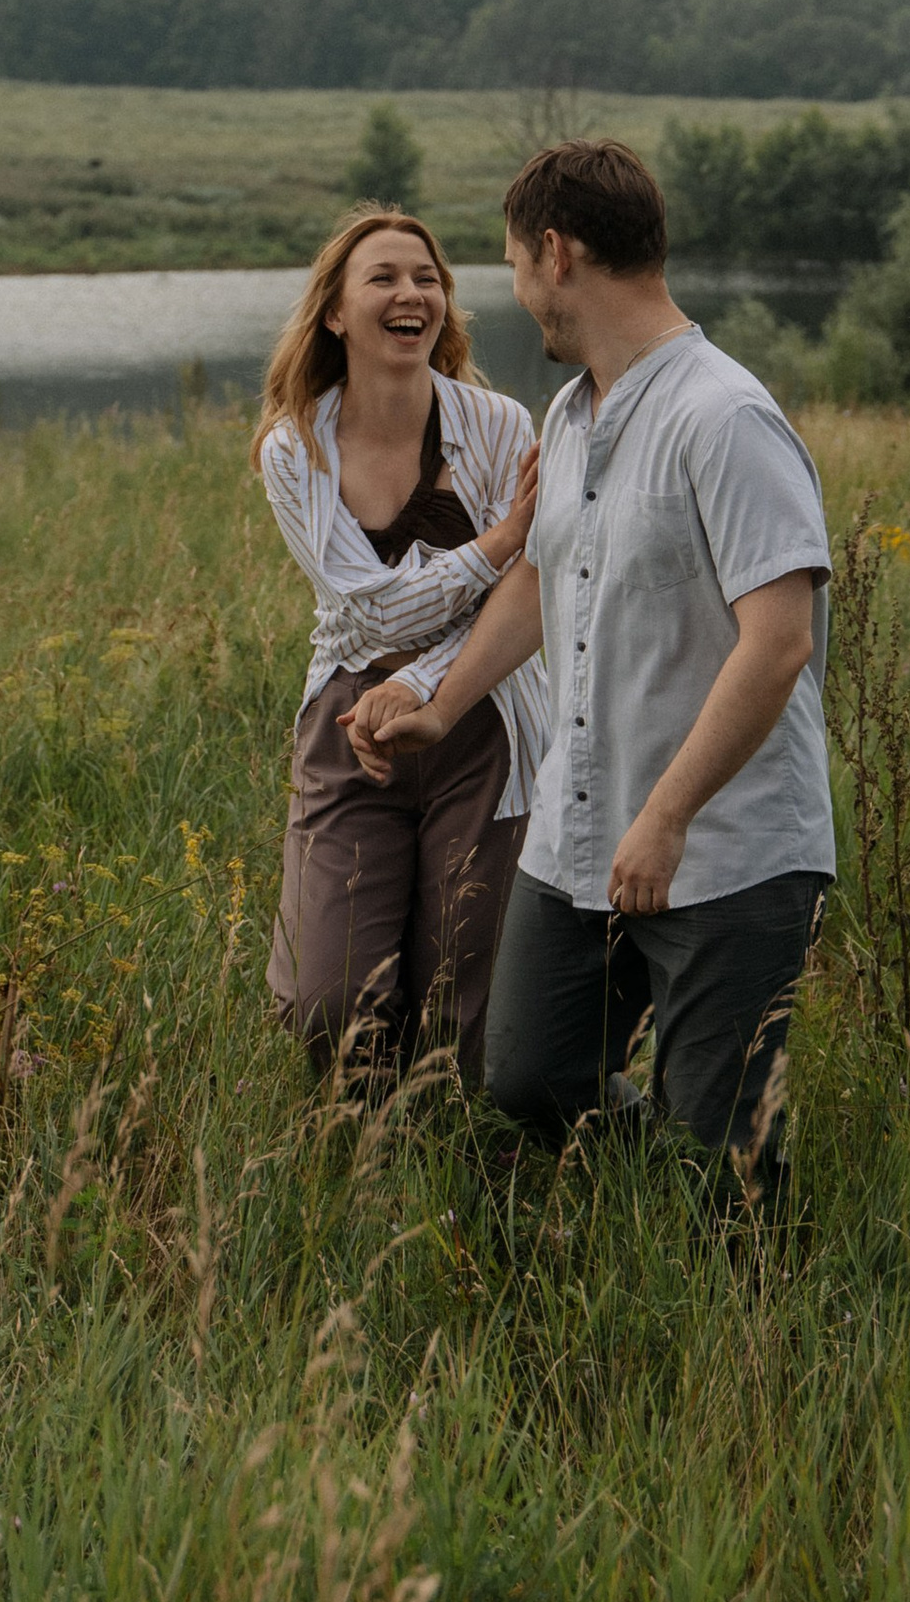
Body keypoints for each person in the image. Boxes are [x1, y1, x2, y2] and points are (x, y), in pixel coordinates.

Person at [343, 138, 832, 1191]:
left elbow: (780, 640)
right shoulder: (571, 415)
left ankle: (737, 1297)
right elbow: (536, 578)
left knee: (724, 1160)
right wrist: (438, 700)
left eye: (516, 265)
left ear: (556, 253)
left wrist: (668, 814)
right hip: (577, 843)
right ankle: (651, 1189)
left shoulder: (723, 415)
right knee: (527, 1077)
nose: (518, 293)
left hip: (725, 851)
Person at [255, 206, 546, 1089]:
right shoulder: (294, 445)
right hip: (350, 730)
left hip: (485, 724)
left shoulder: (501, 426)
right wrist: (499, 542)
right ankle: (358, 1163)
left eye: (427, 279)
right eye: (382, 278)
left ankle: (452, 1177)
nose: (411, 293)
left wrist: (420, 685)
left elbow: (530, 600)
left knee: (461, 998)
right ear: (336, 313)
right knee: (328, 1000)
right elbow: (370, 615)